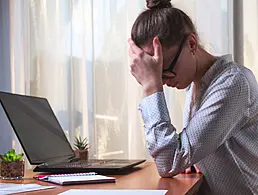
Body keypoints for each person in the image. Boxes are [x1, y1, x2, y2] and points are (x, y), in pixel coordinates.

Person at [128, 0, 258, 194]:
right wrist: (199, 158)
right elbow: (179, 156)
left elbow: (169, 162)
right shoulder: (196, 85)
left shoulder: (233, 83)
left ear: (191, 43)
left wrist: (151, 87)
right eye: (154, 73)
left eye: (165, 71)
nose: (162, 81)